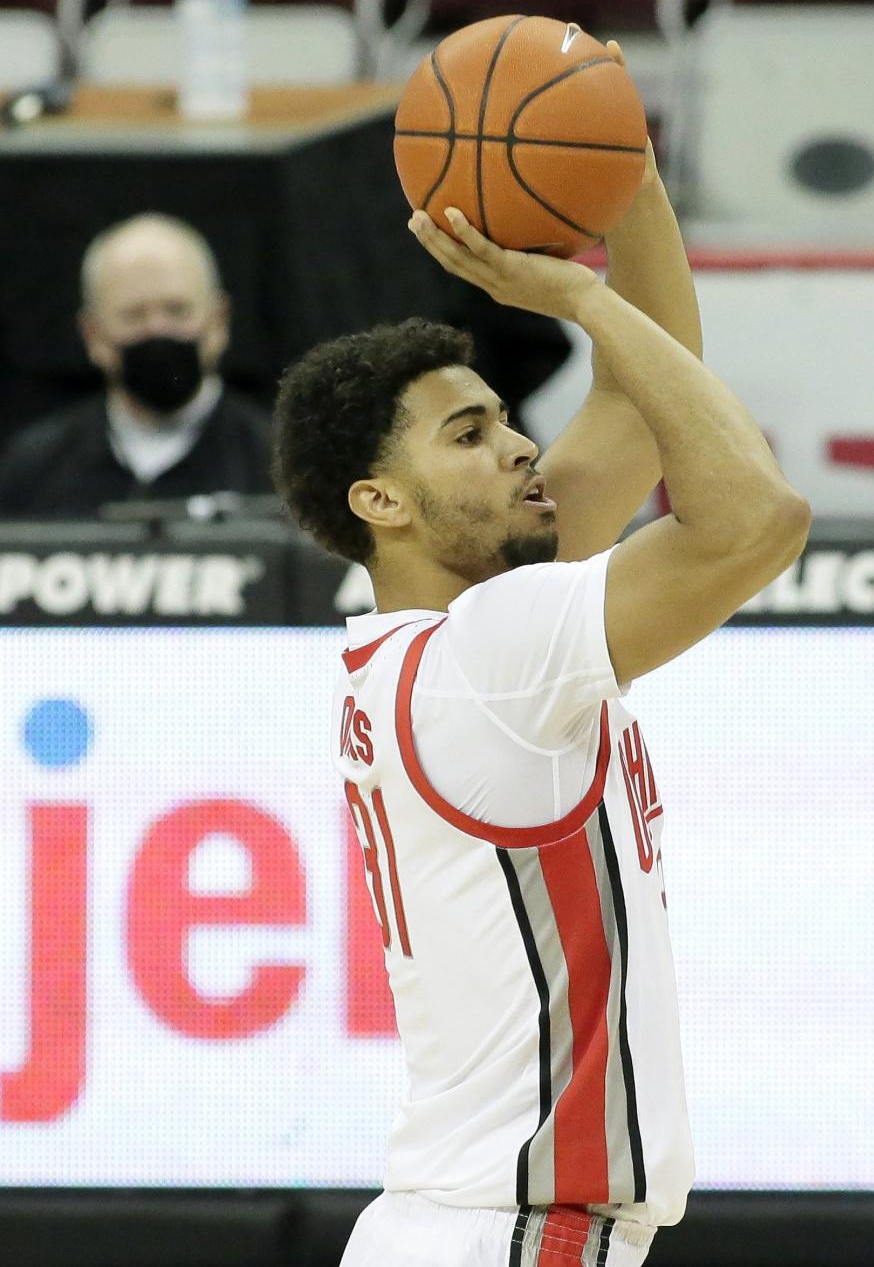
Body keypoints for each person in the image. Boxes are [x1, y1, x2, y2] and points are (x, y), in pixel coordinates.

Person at [273, 83, 810, 1266]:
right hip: (515, 1233)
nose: (519, 442)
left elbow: (637, 390)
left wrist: (628, 173)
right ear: (381, 503)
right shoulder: (494, 656)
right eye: (466, 435)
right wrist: (573, 291)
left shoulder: (449, 635)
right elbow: (755, 521)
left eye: (503, 417)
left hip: (465, 1226)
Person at [0, 212, 274, 518]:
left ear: (219, 321)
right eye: (133, 315)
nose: (157, 330)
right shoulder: (33, 470)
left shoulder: (279, 463)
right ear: (93, 336)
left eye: (177, 310)